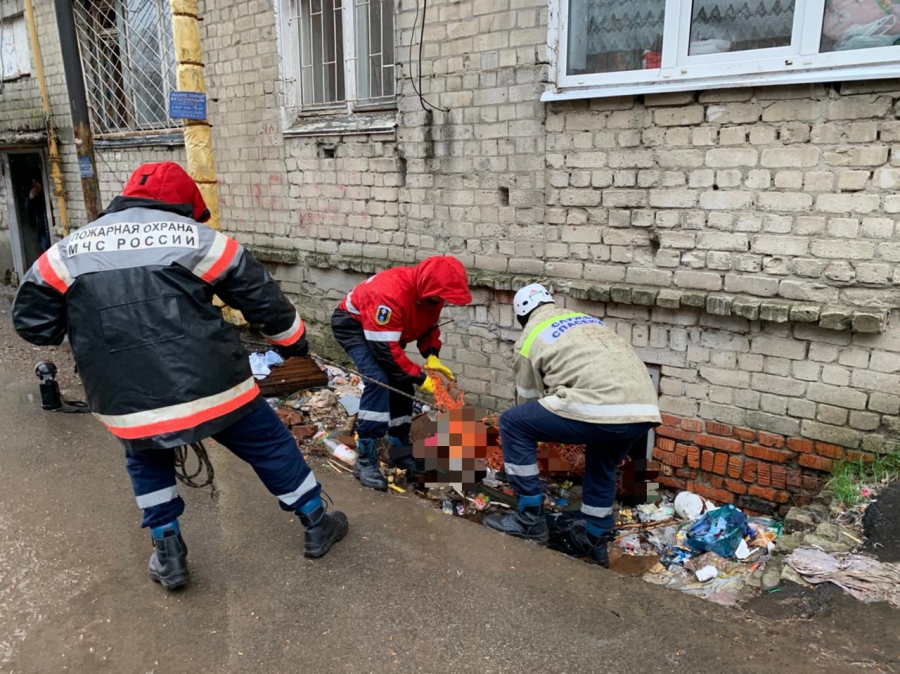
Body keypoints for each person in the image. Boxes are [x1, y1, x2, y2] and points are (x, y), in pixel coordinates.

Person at [12, 162, 347, 591]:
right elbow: (263, 301)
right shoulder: (199, 239)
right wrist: (294, 343)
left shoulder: (67, 251)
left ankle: (168, 554)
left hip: (124, 398)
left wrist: (90, 336)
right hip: (214, 387)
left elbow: (32, 324)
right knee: (267, 443)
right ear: (185, 203)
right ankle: (316, 522)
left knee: (146, 456)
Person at [483, 283, 661, 567]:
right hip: (644, 410)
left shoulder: (529, 337)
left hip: (599, 405)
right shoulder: (585, 320)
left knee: (512, 423)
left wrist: (524, 450)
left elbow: (528, 401)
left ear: (521, 317)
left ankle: (529, 519)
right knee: (601, 464)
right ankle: (593, 538)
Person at [331, 256, 471, 491]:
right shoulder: (388, 295)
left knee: (402, 384)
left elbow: (428, 326)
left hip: (386, 334)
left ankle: (399, 449)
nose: (443, 302)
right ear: (429, 287)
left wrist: (431, 353)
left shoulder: (431, 296)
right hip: (353, 327)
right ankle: (366, 458)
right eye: (441, 297)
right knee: (380, 382)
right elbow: (387, 352)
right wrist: (420, 377)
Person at [26, 178, 51, 252]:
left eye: (36, 182)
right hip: (43, 231)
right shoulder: (34, 198)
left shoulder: (47, 194)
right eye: (33, 183)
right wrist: (31, 198)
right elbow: (29, 213)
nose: (35, 186)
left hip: (50, 229)